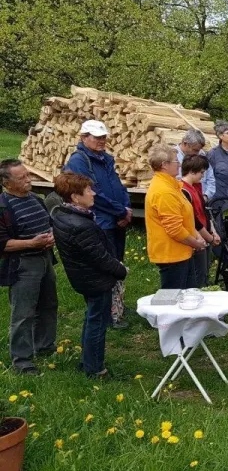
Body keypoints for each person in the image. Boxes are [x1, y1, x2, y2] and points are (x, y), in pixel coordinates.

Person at [50, 172, 127, 378]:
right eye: (88, 190)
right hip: (95, 280)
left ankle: (87, 361)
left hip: (84, 277)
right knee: (97, 324)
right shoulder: (81, 225)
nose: (93, 193)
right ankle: (95, 369)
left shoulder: (64, 215)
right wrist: (121, 270)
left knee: (92, 318)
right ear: (75, 197)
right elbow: (100, 257)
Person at [63, 120, 132, 329]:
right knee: (106, 267)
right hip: (101, 221)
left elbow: (118, 186)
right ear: (84, 138)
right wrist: (120, 211)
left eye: (103, 137)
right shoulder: (79, 161)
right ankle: (107, 313)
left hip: (116, 218)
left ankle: (117, 305)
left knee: (117, 263)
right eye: (97, 137)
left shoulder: (105, 158)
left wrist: (126, 207)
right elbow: (94, 195)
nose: (102, 141)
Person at [0, 159, 57, 376]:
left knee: (48, 305)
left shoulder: (35, 199)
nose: (28, 179)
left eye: (27, 175)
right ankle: (22, 361)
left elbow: (48, 224)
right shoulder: (3, 207)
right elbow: (3, 244)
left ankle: (44, 346)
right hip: (23, 264)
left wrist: (51, 237)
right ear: (6, 183)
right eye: (22, 177)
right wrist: (31, 243)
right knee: (23, 313)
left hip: (44, 258)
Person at [145, 146, 205, 289]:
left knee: (188, 294)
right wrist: (196, 244)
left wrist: (197, 235)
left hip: (182, 252)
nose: (179, 164)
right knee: (173, 298)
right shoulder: (164, 192)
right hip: (172, 255)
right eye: (176, 161)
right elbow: (175, 230)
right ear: (164, 165)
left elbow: (184, 218)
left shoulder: (172, 186)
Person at [180, 155, 220, 288]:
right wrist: (209, 238)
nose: (203, 176)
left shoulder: (196, 187)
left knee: (205, 272)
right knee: (199, 275)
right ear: (192, 171)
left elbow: (204, 211)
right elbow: (194, 220)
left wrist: (213, 231)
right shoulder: (184, 190)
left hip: (206, 235)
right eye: (201, 172)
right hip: (198, 238)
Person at [175, 129, 216, 200]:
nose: (197, 153)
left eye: (199, 150)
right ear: (185, 144)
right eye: (195, 150)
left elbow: (210, 178)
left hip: (202, 199)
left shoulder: (201, 154)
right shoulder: (173, 157)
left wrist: (206, 196)